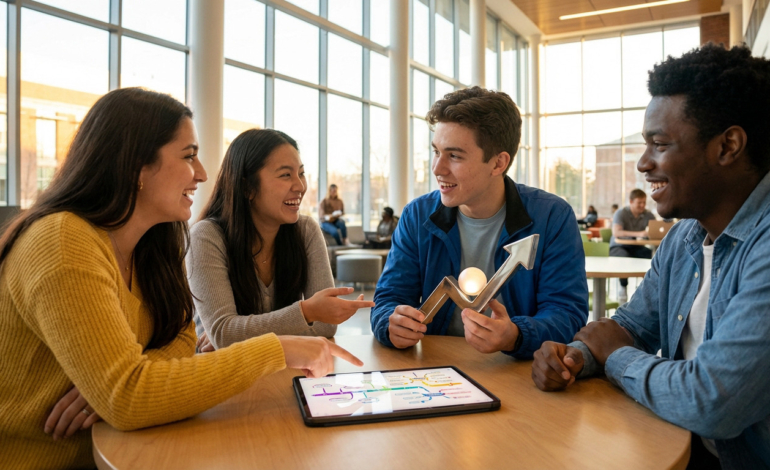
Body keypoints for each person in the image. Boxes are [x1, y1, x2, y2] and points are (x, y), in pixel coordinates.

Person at [0, 88, 361, 469]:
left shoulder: (154, 243)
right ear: (136, 165)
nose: (203, 173)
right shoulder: (63, 240)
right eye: (189, 156)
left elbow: (180, 340)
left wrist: (114, 383)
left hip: (125, 451)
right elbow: (129, 398)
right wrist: (277, 349)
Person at [531, 44, 770, 469]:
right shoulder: (684, 239)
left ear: (728, 146)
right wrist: (577, 357)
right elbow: (630, 327)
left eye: (659, 144)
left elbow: (711, 401)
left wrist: (614, 356)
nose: (643, 163)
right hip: (679, 446)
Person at [371, 87, 588, 358]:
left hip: (518, 375)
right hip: (433, 370)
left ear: (498, 163)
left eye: (455, 156)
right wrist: (390, 324)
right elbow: (388, 300)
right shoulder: (417, 216)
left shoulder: (552, 217)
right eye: (436, 152)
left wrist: (515, 336)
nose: (437, 168)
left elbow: (568, 314)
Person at [188, 129, 374, 350]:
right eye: (286, 175)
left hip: (284, 369)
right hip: (224, 377)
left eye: (301, 174)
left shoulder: (305, 231)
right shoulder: (206, 236)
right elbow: (225, 334)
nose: (300, 186)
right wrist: (306, 313)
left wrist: (241, 334)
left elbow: (325, 326)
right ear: (247, 187)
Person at [610, 188, 657, 301]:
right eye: (639, 202)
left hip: (637, 246)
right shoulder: (621, 213)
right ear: (631, 202)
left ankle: (645, 289)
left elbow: (656, 230)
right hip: (619, 246)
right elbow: (616, 232)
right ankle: (623, 287)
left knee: (650, 255)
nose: (642, 205)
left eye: (644, 202)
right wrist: (639, 233)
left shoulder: (648, 215)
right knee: (622, 257)